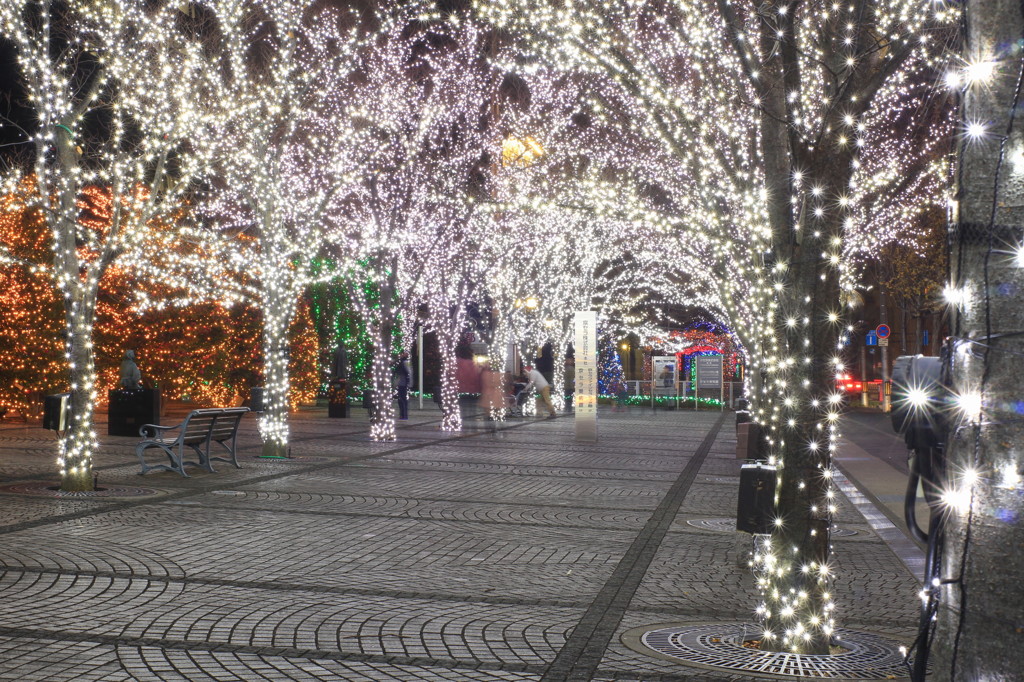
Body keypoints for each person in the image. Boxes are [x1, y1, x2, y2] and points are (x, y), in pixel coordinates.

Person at [393, 352, 411, 420]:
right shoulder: (401, 362)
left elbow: (408, 372)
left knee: (402, 399)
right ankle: (403, 415)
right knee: (401, 399)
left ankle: (404, 415)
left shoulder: (404, 362)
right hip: (402, 383)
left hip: (403, 383)